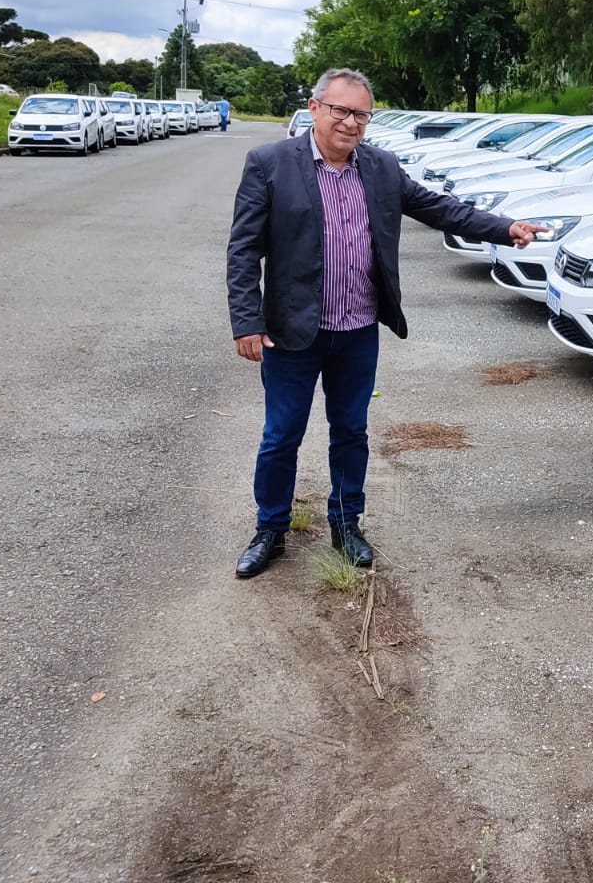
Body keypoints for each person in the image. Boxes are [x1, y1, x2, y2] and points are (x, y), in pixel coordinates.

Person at [226, 68, 545, 579]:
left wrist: (504, 228)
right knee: (282, 435)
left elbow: (439, 208)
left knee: (350, 431)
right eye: (341, 111)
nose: (350, 123)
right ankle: (271, 528)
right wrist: (246, 319)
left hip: (357, 331)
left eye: (361, 114)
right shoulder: (270, 163)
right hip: (291, 333)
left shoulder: (380, 167)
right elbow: (244, 249)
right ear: (314, 108)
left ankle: (346, 523)